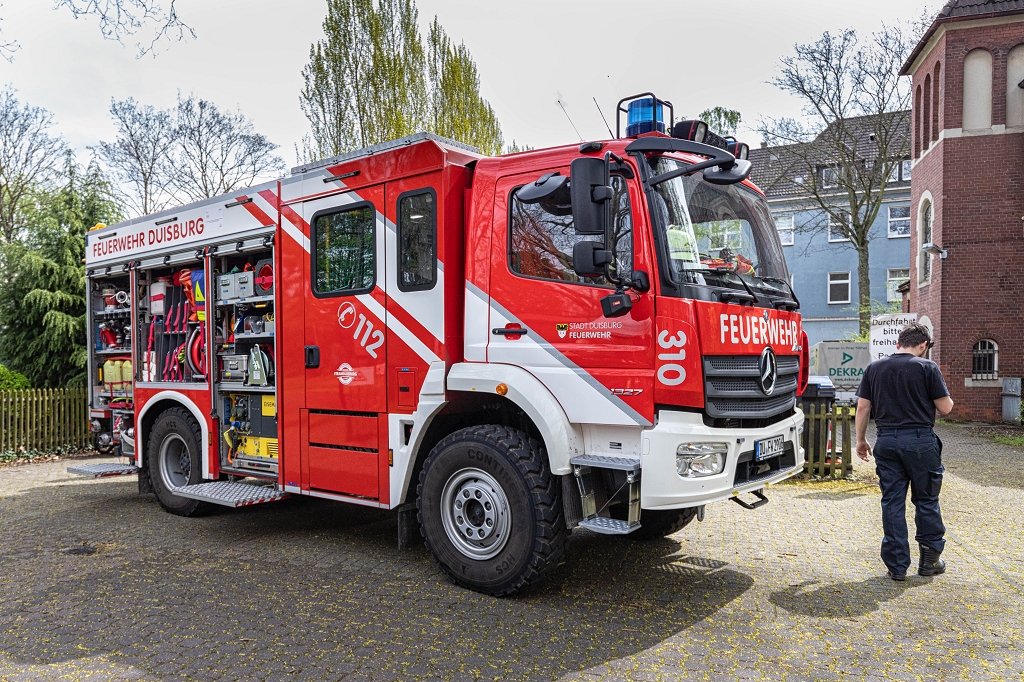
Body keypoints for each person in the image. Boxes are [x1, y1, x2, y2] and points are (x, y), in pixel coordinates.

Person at [855, 323, 954, 581]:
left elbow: (863, 407)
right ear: (923, 345)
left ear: (898, 344)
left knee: (892, 502)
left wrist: (861, 440)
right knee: (926, 500)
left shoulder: (874, 368)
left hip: (886, 442)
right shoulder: (927, 367)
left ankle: (897, 566)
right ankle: (929, 561)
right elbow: (945, 408)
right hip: (921, 442)